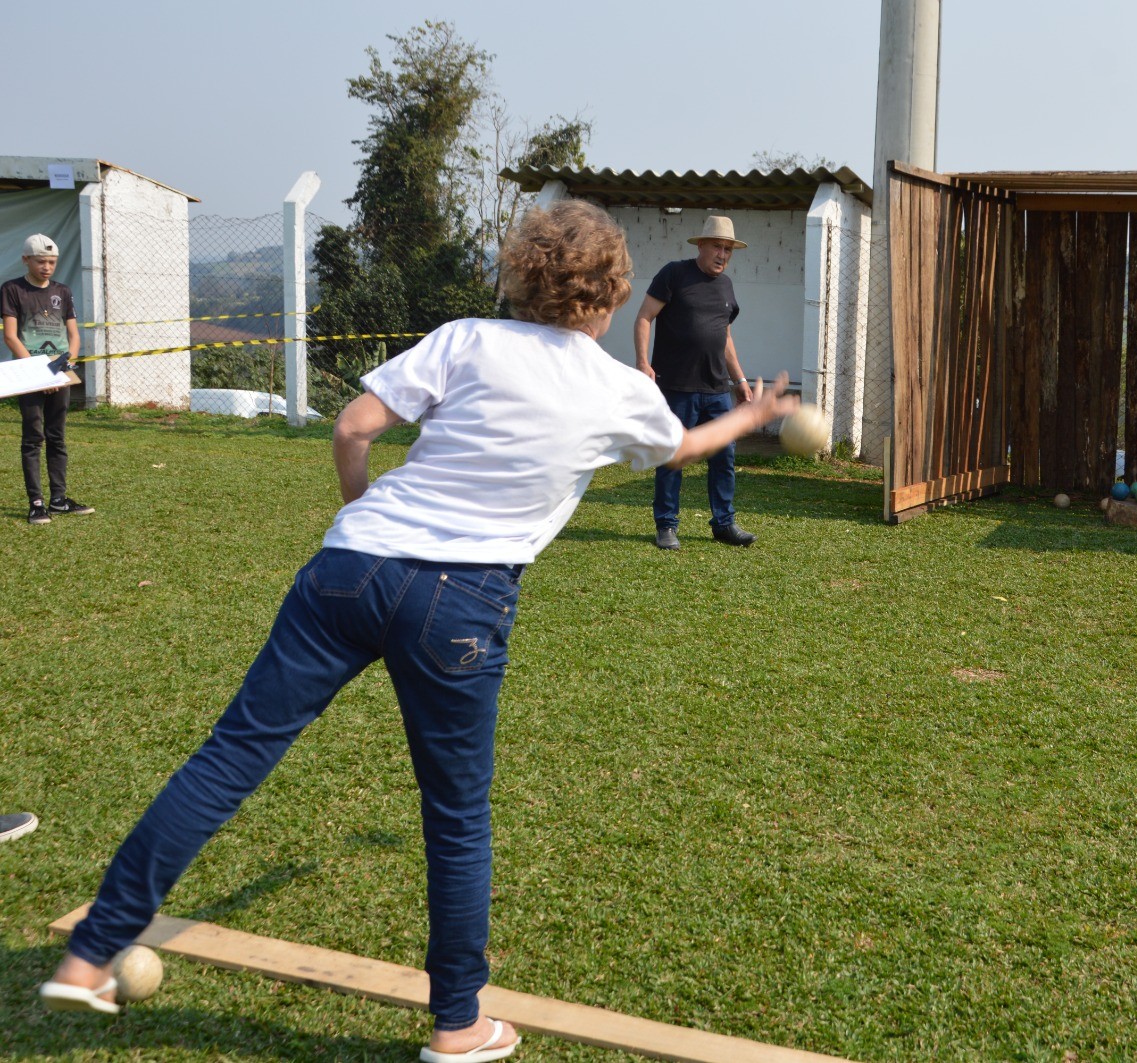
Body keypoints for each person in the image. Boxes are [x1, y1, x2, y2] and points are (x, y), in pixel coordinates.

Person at [38, 201, 797, 1063]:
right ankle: (458, 1023)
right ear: (614, 294)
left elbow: (354, 426)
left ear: (522, 277)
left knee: (228, 757)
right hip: (464, 606)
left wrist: (365, 516)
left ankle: (87, 954)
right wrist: (751, 413)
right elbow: (680, 450)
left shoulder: (465, 336)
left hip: (347, 569)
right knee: (456, 817)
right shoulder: (619, 390)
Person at [633, 215, 759, 551]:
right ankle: (666, 525)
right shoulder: (674, 274)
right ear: (700, 245)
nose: (723, 254)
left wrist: (740, 380)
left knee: (724, 458)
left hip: (716, 389)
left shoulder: (726, 286)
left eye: (728, 249)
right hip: (677, 388)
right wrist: (643, 362)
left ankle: (724, 523)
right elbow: (645, 316)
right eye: (717, 246)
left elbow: (725, 337)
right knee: (673, 456)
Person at [2, 233, 93, 525]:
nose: (47, 267)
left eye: (52, 262)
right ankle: (36, 503)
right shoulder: (12, 290)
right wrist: (39, 374)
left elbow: (74, 335)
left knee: (57, 437)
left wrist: (65, 365)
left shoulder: (63, 291)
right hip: (30, 375)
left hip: (59, 371)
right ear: (26, 260)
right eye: (41, 261)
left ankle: (59, 500)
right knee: (33, 438)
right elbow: (11, 336)